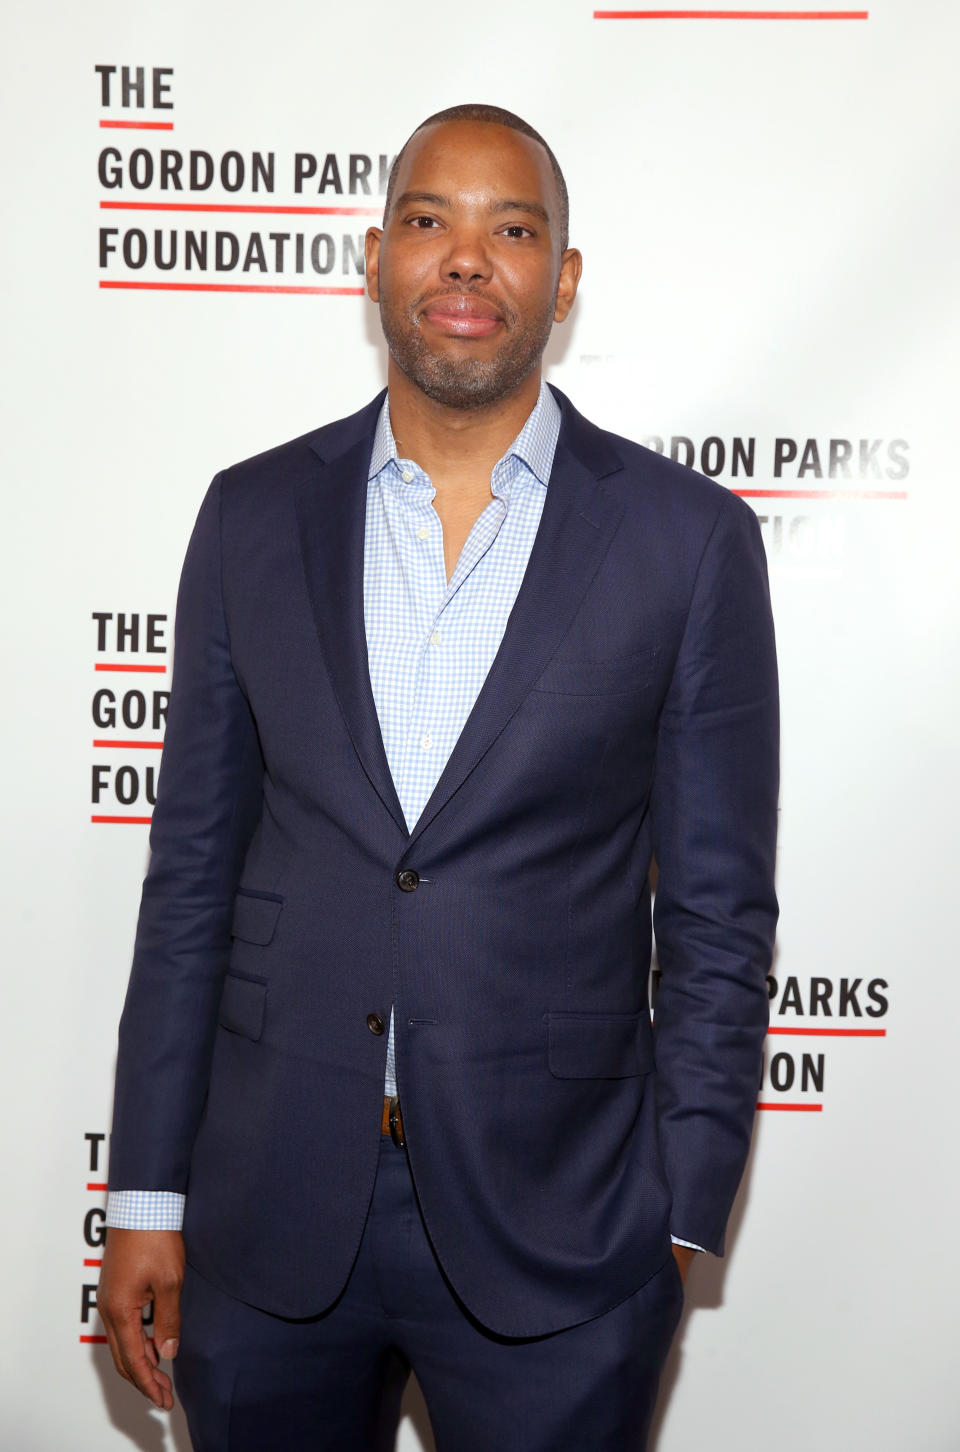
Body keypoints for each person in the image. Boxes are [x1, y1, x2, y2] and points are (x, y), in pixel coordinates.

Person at [98, 102, 779, 1452]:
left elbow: (717, 913)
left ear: (563, 279)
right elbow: (191, 876)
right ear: (374, 261)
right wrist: (147, 1200)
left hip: (568, 1236)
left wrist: (680, 1209)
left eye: (511, 229)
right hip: (271, 1222)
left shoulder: (687, 544)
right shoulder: (251, 517)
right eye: (430, 222)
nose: (467, 260)